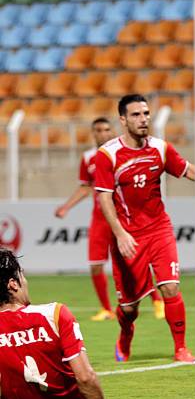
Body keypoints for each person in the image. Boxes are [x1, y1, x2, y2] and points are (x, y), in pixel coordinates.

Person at [94, 94, 195, 363]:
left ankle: (181, 349)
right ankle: (125, 335)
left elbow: (187, 170)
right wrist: (119, 234)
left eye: (146, 113)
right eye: (136, 115)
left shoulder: (160, 148)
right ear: (123, 120)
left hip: (159, 229)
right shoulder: (108, 155)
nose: (143, 119)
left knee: (171, 288)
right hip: (127, 236)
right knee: (129, 308)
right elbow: (104, 197)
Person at [0, 248, 136, 399]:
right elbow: (86, 377)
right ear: (13, 284)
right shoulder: (55, 314)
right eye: (23, 278)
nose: (26, 283)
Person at [55, 118, 166, 322]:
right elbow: (86, 186)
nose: (103, 133)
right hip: (99, 218)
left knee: (136, 261)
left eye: (106, 129)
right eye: (98, 130)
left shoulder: (118, 153)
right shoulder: (88, 157)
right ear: (93, 133)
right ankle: (106, 309)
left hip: (122, 217)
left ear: (111, 131)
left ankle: (157, 300)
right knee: (96, 264)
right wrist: (66, 207)